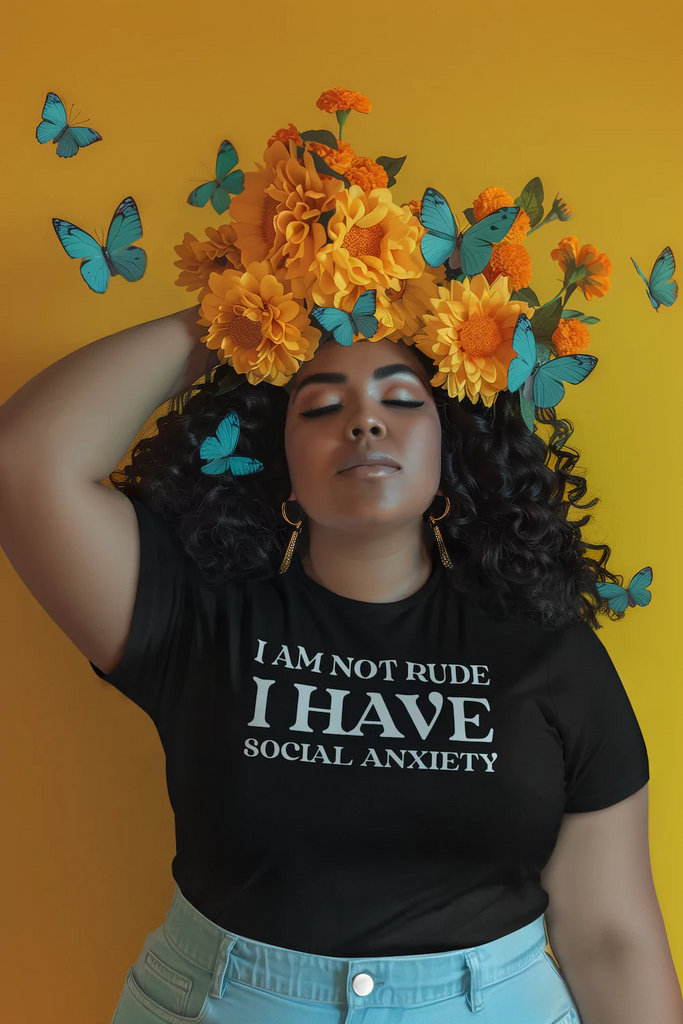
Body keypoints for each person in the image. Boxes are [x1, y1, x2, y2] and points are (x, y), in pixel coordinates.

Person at [0, 300, 667, 1024]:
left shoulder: (549, 650)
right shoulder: (198, 618)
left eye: (401, 398)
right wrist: (247, 314)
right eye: (319, 406)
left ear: (452, 446)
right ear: (280, 458)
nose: (364, 420)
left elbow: (610, 937)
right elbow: (25, 463)